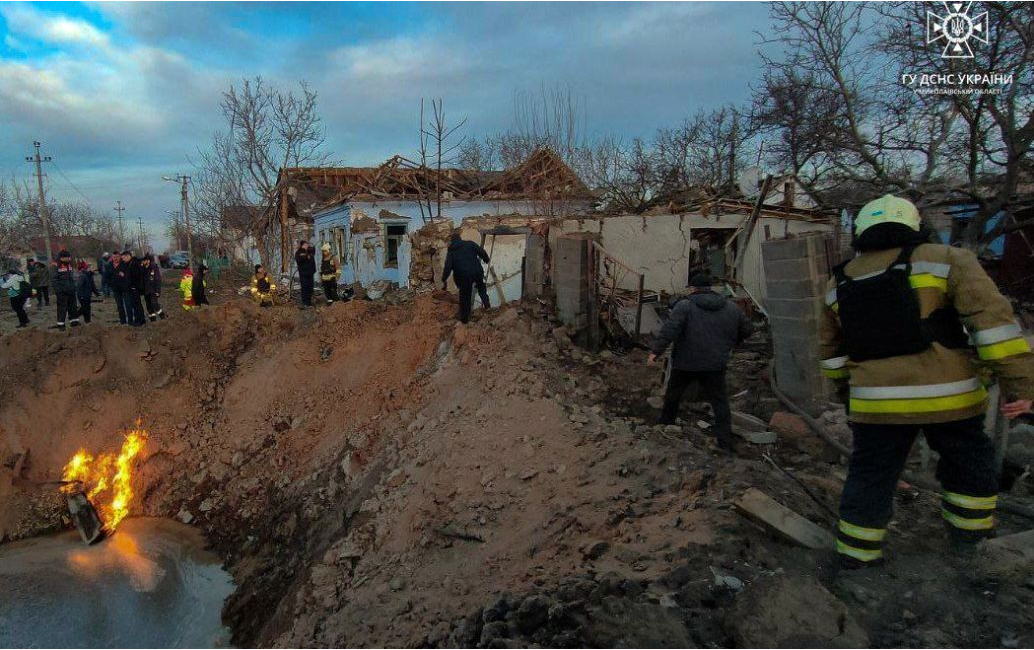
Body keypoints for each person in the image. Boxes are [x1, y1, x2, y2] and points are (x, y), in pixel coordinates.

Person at [819, 195, 1034, 569]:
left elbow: (830, 354)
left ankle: (856, 558)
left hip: (875, 404)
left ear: (861, 231)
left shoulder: (838, 281)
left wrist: (848, 394)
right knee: (968, 467)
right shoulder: (948, 259)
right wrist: (1022, 387)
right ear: (914, 225)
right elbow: (993, 329)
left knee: (871, 476)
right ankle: (971, 547)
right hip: (950, 400)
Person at [647, 274, 753, 450]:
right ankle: (725, 442)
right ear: (710, 288)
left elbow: (670, 330)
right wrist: (731, 343)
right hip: (715, 364)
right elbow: (747, 329)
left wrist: (655, 352)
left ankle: (666, 425)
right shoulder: (731, 307)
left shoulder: (684, 306)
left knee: (674, 394)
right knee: (719, 402)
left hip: (686, 362)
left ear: (693, 288)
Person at [442, 232, 491, 324]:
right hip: (477, 271)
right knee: (481, 287)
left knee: (465, 296)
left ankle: (465, 319)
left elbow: (448, 267)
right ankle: (487, 305)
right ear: (460, 239)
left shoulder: (451, 252)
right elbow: (481, 251)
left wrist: (444, 279)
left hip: (463, 276)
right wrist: (486, 259)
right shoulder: (470, 244)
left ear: (452, 241)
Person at [49, 250, 80, 330]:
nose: (69, 259)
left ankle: (74, 321)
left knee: (73, 307)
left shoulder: (68, 265)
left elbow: (71, 278)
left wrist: (73, 287)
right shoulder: (55, 265)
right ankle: (61, 324)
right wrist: (59, 291)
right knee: (62, 308)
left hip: (71, 290)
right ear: (62, 258)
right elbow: (54, 280)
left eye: (69, 257)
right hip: (62, 292)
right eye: (67, 257)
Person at [140, 255, 166, 321]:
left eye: (144, 261)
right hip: (146, 291)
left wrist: (157, 291)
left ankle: (162, 316)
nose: (143, 262)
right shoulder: (142, 269)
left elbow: (158, 280)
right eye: (143, 261)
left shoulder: (154, 268)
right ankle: (153, 319)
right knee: (149, 306)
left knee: (154, 303)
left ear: (148, 261)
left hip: (153, 290)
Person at [124, 251, 146, 326]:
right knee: (135, 304)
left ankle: (140, 320)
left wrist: (134, 286)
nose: (123, 259)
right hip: (133, 287)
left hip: (135, 288)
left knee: (137, 304)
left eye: (124, 257)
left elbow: (136, 276)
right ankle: (138, 319)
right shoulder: (130, 263)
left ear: (128, 256)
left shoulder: (134, 264)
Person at [110, 251, 130, 325]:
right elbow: (106, 277)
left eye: (117, 257)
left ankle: (130, 320)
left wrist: (124, 276)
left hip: (125, 288)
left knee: (128, 304)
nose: (115, 259)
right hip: (116, 289)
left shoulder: (124, 264)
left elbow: (129, 275)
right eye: (114, 257)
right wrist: (111, 285)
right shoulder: (109, 265)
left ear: (120, 257)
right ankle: (123, 321)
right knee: (119, 306)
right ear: (112, 257)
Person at [295, 240, 316, 308]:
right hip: (303, 273)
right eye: (305, 245)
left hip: (310, 273)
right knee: (305, 287)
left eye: (307, 244)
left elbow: (313, 250)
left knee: (310, 287)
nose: (307, 246)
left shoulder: (310, 251)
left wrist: (312, 246)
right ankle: (305, 302)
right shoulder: (299, 252)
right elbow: (298, 260)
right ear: (302, 246)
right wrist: (306, 256)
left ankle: (309, 302)